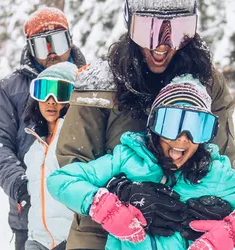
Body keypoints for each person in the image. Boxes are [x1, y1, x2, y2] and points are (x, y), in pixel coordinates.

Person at [55, 0, 235, 249]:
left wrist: (223, 213)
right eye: (146, 30)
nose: (161, 43)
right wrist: (120, 191)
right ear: (130, 25)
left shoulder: (207, 82)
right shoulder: (101, 82)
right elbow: (72, 163)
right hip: (104, 233)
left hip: (188, 235)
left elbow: (226, 156)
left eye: (177, 30)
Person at [47, 75, 235, 250]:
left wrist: (229, 233)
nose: (183, 138)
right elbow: (61, 179)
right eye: (170, 124)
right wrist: (106, 208)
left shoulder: (217, 174)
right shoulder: (128, 159)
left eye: (196, 127)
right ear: (154, 126)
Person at [0, 7, 86, 250]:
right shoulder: (12, 89)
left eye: (58, 42)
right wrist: (20, 184)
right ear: (30, 48)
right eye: (42, 46)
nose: (51, 54)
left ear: (70, 40)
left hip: (79, 218)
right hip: (29, 216)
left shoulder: (89, 81)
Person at [23, 62, 77, 250]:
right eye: (44, 91)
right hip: (37, 240)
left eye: (60, 92)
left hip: (68, 241)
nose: (51, 100)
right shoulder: (34, 148)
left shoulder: (76, 141)